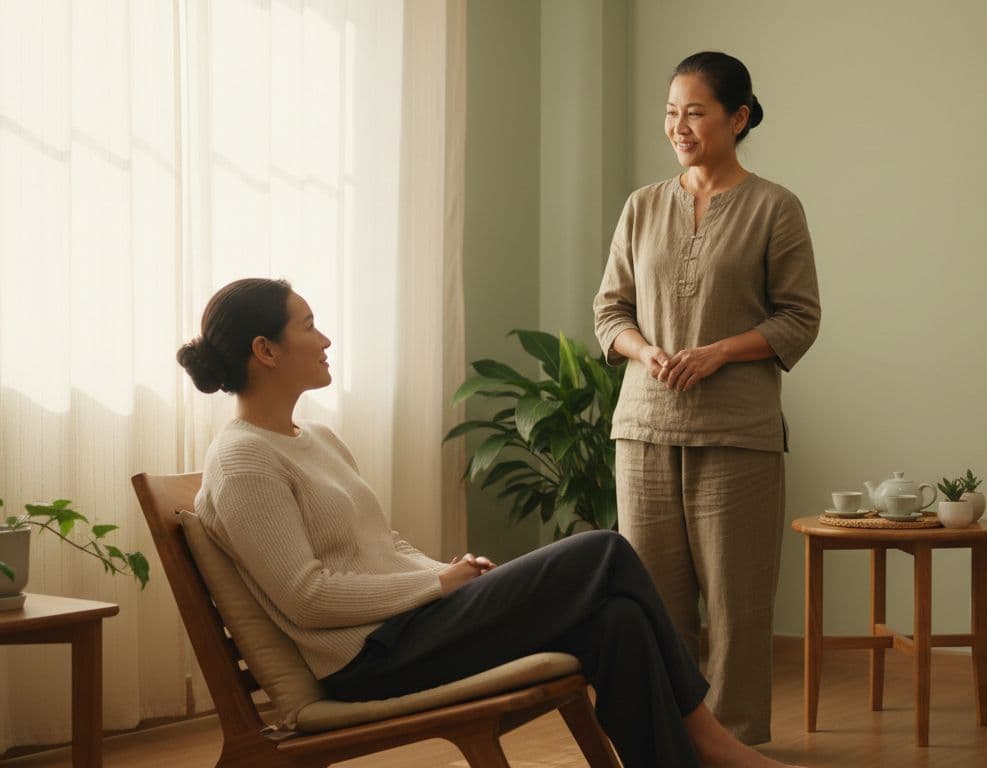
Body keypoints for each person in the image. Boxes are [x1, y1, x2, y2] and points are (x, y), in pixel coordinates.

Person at [177, 277, 802, 768]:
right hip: (370, 661)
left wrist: (449, 574)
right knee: (603, 552)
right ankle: (714, 746)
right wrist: (437, 586)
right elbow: (306, 597)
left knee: (618, 620)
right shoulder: (243, 463)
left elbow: (380, 545)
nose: (325, 339)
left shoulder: (312, 437)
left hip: (411, 626)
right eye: (309, 326)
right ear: (265, 350)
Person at [593, 51, 821, 745]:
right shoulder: (641, 207)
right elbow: (610, 313)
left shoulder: (775, 208)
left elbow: (799, 318)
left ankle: (736, 744)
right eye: (670, 112)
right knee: (651, 607)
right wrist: (645, 349)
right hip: (643, 429)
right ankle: (663, 742)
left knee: (737, 606)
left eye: (695, 111)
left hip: (737, 433)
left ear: (738, 117)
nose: (678, 126)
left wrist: (719, 351)